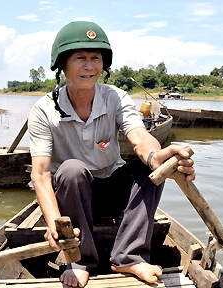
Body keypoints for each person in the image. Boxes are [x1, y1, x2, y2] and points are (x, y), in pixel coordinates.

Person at [28, 21, 195, 288]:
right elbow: (41, 174)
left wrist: (157, 156)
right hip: (72, 198)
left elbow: (139, 136)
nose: (90, 66)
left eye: (96, 58)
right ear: (62, 65)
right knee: (71, 169)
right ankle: (80, 260)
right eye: (80, 58)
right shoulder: (43, 110)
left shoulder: (115, 98)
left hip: (111, 189)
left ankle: (128, 257)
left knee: (147, 168)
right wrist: (52, 223)